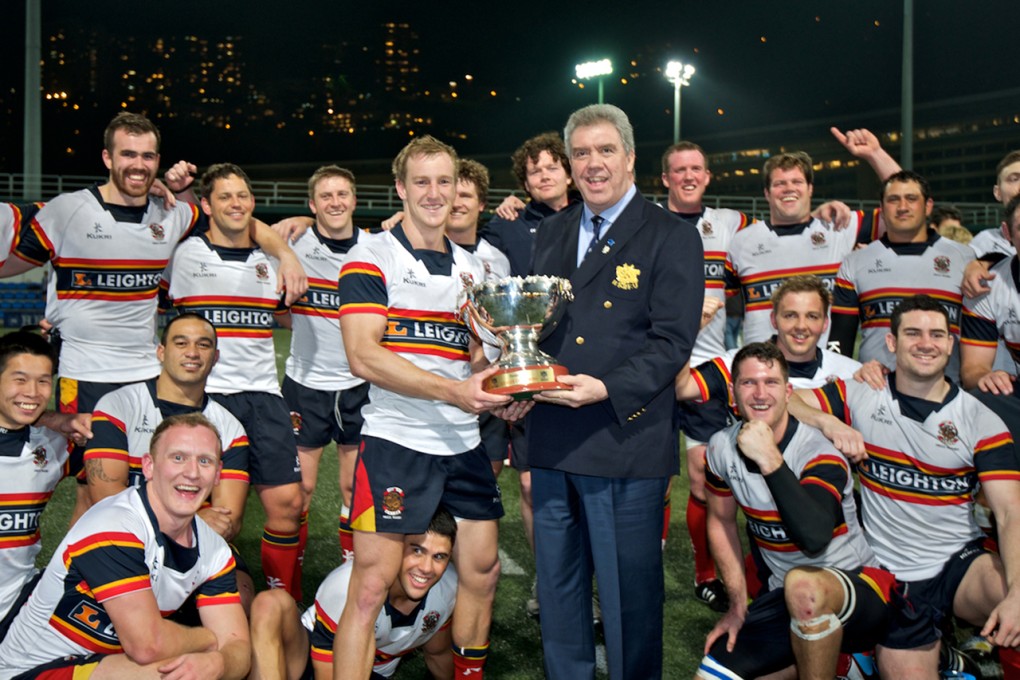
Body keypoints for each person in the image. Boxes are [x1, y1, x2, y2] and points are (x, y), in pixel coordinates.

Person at [0, 112, 305, 524]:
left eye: (147, 156)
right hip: (86, 374)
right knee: (94, 494)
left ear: (158, 160)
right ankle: (86, 582)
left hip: (148, 374)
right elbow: (12, 258)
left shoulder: (173, 213)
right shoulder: (66, 211)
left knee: (158, 484)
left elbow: (242, 222)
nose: (138, 165)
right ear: (107, 158)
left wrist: (287, 250)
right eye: (128, 154)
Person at [525, 103, 703, 679]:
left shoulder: (670, 235)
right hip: (552, 437)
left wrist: (606, 387)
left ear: (629, 158)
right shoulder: (550, 231)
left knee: (629, 603)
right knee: (559, 594)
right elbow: (535, 327)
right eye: (581, 153)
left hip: (625, 439)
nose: (593, 164)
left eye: (606, 151)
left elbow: (672, 342)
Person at [334, 135, 509, 679]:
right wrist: (454, 391)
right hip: (397, 441)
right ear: (400, 189)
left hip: (463, 442)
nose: (434, 194)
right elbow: (363, 355)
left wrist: (505, 391)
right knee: (371, 585)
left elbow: (477, 356)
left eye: (444, 181)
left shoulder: (475, 270)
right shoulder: (370, 257)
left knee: (481, 572)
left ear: (460, 187)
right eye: (421, 182)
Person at [794, 295, 1020, 678]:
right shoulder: (861, 394)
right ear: (892, 343)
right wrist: (830, 422)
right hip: (891, 576)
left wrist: (1017, 593)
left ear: (951, 345)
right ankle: (946, 659)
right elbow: (789, 400)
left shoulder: (981, 420)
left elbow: (1010, 512)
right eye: (912, 333)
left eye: (936, 334)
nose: (926, 343)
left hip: (957, 564)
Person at [694, 343, 893, 680]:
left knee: (804, 586)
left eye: (771, 383)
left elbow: (813, 537)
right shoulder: (720, 447)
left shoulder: (819, 450)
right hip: (785, 596)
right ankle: (846, 663)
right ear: (732, 392)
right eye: (748, 383)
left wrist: (769, 458)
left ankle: (854, 652)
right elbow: (721, 520)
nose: (760, 394)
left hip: (860, 587)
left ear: (788, 392)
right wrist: (738, 606)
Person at [0, 412, 250, 680]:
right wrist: (211, 640)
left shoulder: (216, 551)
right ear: (149, 466)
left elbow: (239, 648)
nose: (191, 472)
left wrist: (220, 663)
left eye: (205, 461)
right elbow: (147, 646)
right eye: (178, 458)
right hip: (33, 671)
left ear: (217, 475)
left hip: (107, 662)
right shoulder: (114, 525)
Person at [162, 163, 305, 600]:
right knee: (220, 515)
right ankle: (192, 596)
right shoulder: (182, 256)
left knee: (289, 506)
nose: (236, 204)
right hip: (206, 402)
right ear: (206, 205)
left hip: (263, 397)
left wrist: (293, 246)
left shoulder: (272, 262)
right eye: (225, 197)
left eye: (243, 195)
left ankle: (285, 598)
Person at [81, 313, 254, 610]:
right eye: (181, 342)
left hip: (194, 548)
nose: (192, 352)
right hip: (124, 543)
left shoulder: (230, 428)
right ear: (161, 352)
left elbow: (228, 521)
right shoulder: (118, 406)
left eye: (203, 345)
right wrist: (192, 521)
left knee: (241, 597)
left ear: (215, 357)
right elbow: (107, 501)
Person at [725, 128, 900, 347]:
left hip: (826, 369)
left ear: (810, 189)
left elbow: (903, 209)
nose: (789, 188)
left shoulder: (839, 227)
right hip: (764, 372)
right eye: (780, 183)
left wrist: (875, 154)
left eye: (797, 182)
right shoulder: (742, 241)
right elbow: (714, 297)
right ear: (767, 193)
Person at [279, 165, 370, 563]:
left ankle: (352, 569)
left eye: (342, 194)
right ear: (312, 204)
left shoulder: (373, 247)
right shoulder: (293, 244)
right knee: (300, 488)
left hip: (360, 384)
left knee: (354, 488)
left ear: (354, 199)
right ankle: (287, 577)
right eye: (326, 196)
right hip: (306, 383)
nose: (335, 202)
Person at [249, 508, 458, 680]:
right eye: (417, 551)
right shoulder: (346, 584)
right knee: (269, 604)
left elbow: (437, 653)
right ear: (394, 547)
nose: (426, 567)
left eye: (439, 556)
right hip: (310, 653)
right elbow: (329, 673)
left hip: (371, 672)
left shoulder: (448, 589)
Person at [830, 170, 974, 381]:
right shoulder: (856, 262)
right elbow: (840, 340)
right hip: (876, 392)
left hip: (947, 391)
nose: (903, 207)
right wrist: (837, 378)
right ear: (881, 207)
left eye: (912, 199)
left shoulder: (965, 258)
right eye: (893, 199)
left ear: (928, 206)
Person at [0, 330, 83, 635]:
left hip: (22, 607)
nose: (33, 392)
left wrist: (55, 420)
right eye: (19, 379)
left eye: (43, 381)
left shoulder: (55, 446)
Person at [484, 131, 577, 276]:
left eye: (552, 169)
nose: (545, 177)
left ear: (569, 176)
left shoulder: (591, 216)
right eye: (535, 172)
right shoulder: (508, 222)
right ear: (526, 184)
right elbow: (466, 249)